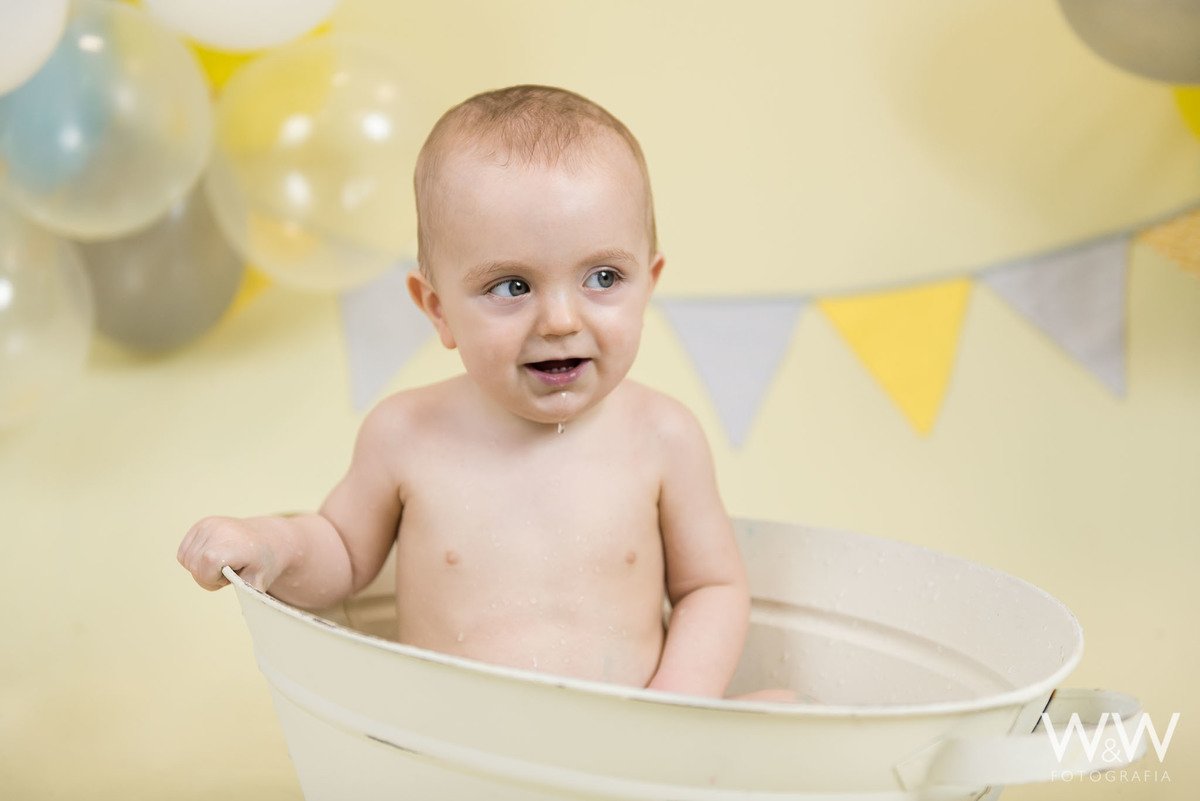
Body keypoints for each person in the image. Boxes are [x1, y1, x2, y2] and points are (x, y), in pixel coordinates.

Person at [178, 85, 762, 699]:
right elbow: (342, 554)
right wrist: (271, 544)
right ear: (438, 309)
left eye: (603, 277)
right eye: (512, 286)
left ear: (649, 283)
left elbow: (711, 588)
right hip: (451, 741)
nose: (560, 320)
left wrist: (678, 699)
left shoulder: (664, 437)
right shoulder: (406, 434)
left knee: (783, 712)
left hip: (625, 747)